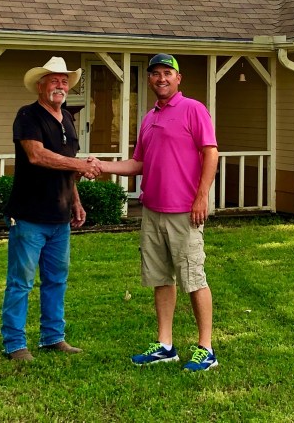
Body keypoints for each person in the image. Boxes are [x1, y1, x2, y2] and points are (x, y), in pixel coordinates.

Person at [96, 53, 220, 372]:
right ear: (149, 79)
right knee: (161, 278)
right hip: (152, 211)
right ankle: (165, 345)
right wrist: (102, 166)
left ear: (178, 78)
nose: (161, 78)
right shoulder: (149, 118)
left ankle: (206, 349)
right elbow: (138, 163)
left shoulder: (193, 109)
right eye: (155, 74)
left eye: (167, 72)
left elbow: (211, 153)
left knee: (194, 278)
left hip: (185, 212)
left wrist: (201, 197)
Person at [0, 56, 100, 362]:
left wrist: (76, 201)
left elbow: (65, 166)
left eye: (65, 81)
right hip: (29, 215)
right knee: (21, 282)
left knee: (57, 280)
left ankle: (53, 337)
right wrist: (80, 165)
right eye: (54, 80)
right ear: (40, 86)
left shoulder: (67, 118)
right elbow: (37, 155)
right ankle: (15, 344)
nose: (60, 86)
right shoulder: (27, 115)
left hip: (59, 217)